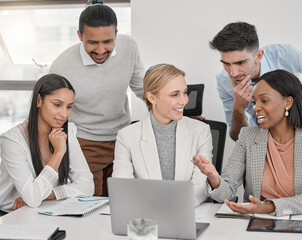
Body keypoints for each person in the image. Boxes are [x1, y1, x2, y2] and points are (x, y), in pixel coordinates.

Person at [193, 69, 302, 216]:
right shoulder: (248, 136)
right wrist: (214, 178)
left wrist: (269, 207)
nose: (255, 108)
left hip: (299, 220)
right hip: (256, 220)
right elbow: (225, 192)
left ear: (288, 102)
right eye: (254, 102)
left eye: (264, 101)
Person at [49, 0, 145, 196]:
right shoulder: (62, 67)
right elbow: (51, 113)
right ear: (80, 36)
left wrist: (176, 113)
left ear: (116, 34)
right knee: (92, 204)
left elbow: (143, 88)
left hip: (123, 138)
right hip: (85, 142)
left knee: (124, 200)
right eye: (92, 42)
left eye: (107, 41)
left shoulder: (129, 47)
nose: (101, 50)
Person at [210, 21, 302, 141]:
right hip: (262, 145)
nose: (233, 73)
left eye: (240, 63)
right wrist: (238, 109)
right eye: (226, 64)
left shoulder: (287, 55)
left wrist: (295, 89)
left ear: (258, 56)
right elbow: (237, 137)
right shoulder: (223, 79)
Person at [112, 64, 213, 206]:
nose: (184, 101)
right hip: (145, 213)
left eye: (185, 92)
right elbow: (122, 187)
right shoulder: (126, 136)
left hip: (186, 211)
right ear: (152, 98)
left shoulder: (201, 131)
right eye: (174, 95)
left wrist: (174, 206)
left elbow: (200, 185)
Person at [0, 74, 94, 213]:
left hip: (48, 208)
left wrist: (46, 195)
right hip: (11, 214)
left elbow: (87, 186)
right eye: (57, 105)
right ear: (39, 100)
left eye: (69, 107)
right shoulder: (12, 141)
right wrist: (58, 152)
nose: (64, 113)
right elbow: (32, 198)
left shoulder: (69, 131)